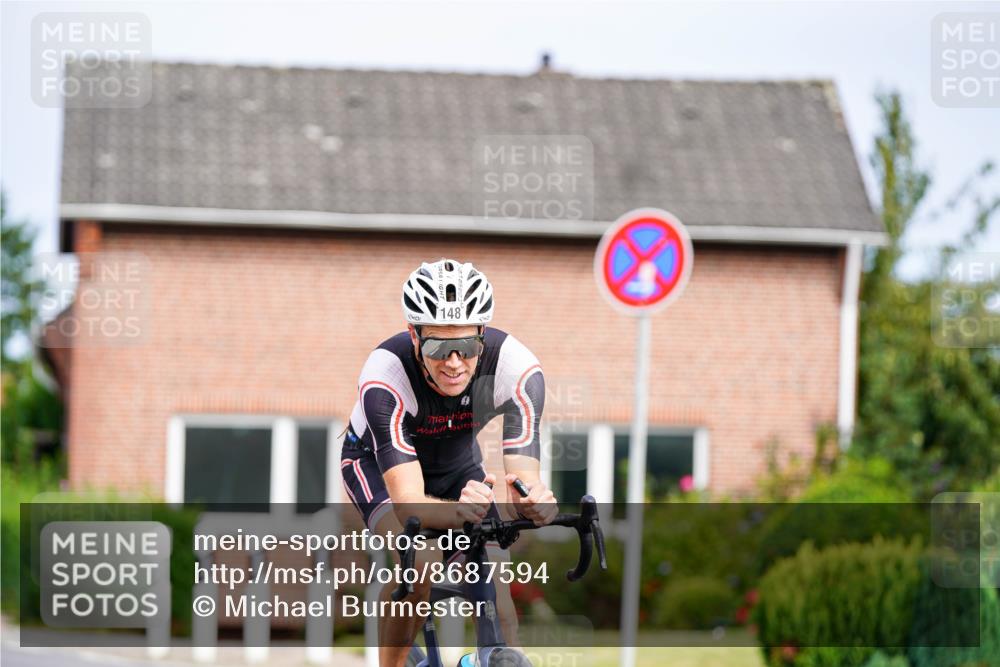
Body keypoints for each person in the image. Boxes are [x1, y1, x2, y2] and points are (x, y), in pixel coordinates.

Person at [341, 258, 558, 667]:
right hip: (375, 467)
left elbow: (521, 481)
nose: (454, 362)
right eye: (438, 346)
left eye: (467, 347)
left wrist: (536, 501)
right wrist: (457, 513)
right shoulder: (385, 375)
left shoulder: (518, 369)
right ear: (413, 336)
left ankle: (492, 658)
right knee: (418, 564)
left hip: (458, 468)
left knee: (495, 578)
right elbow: (408, 503)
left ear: (483, 335)